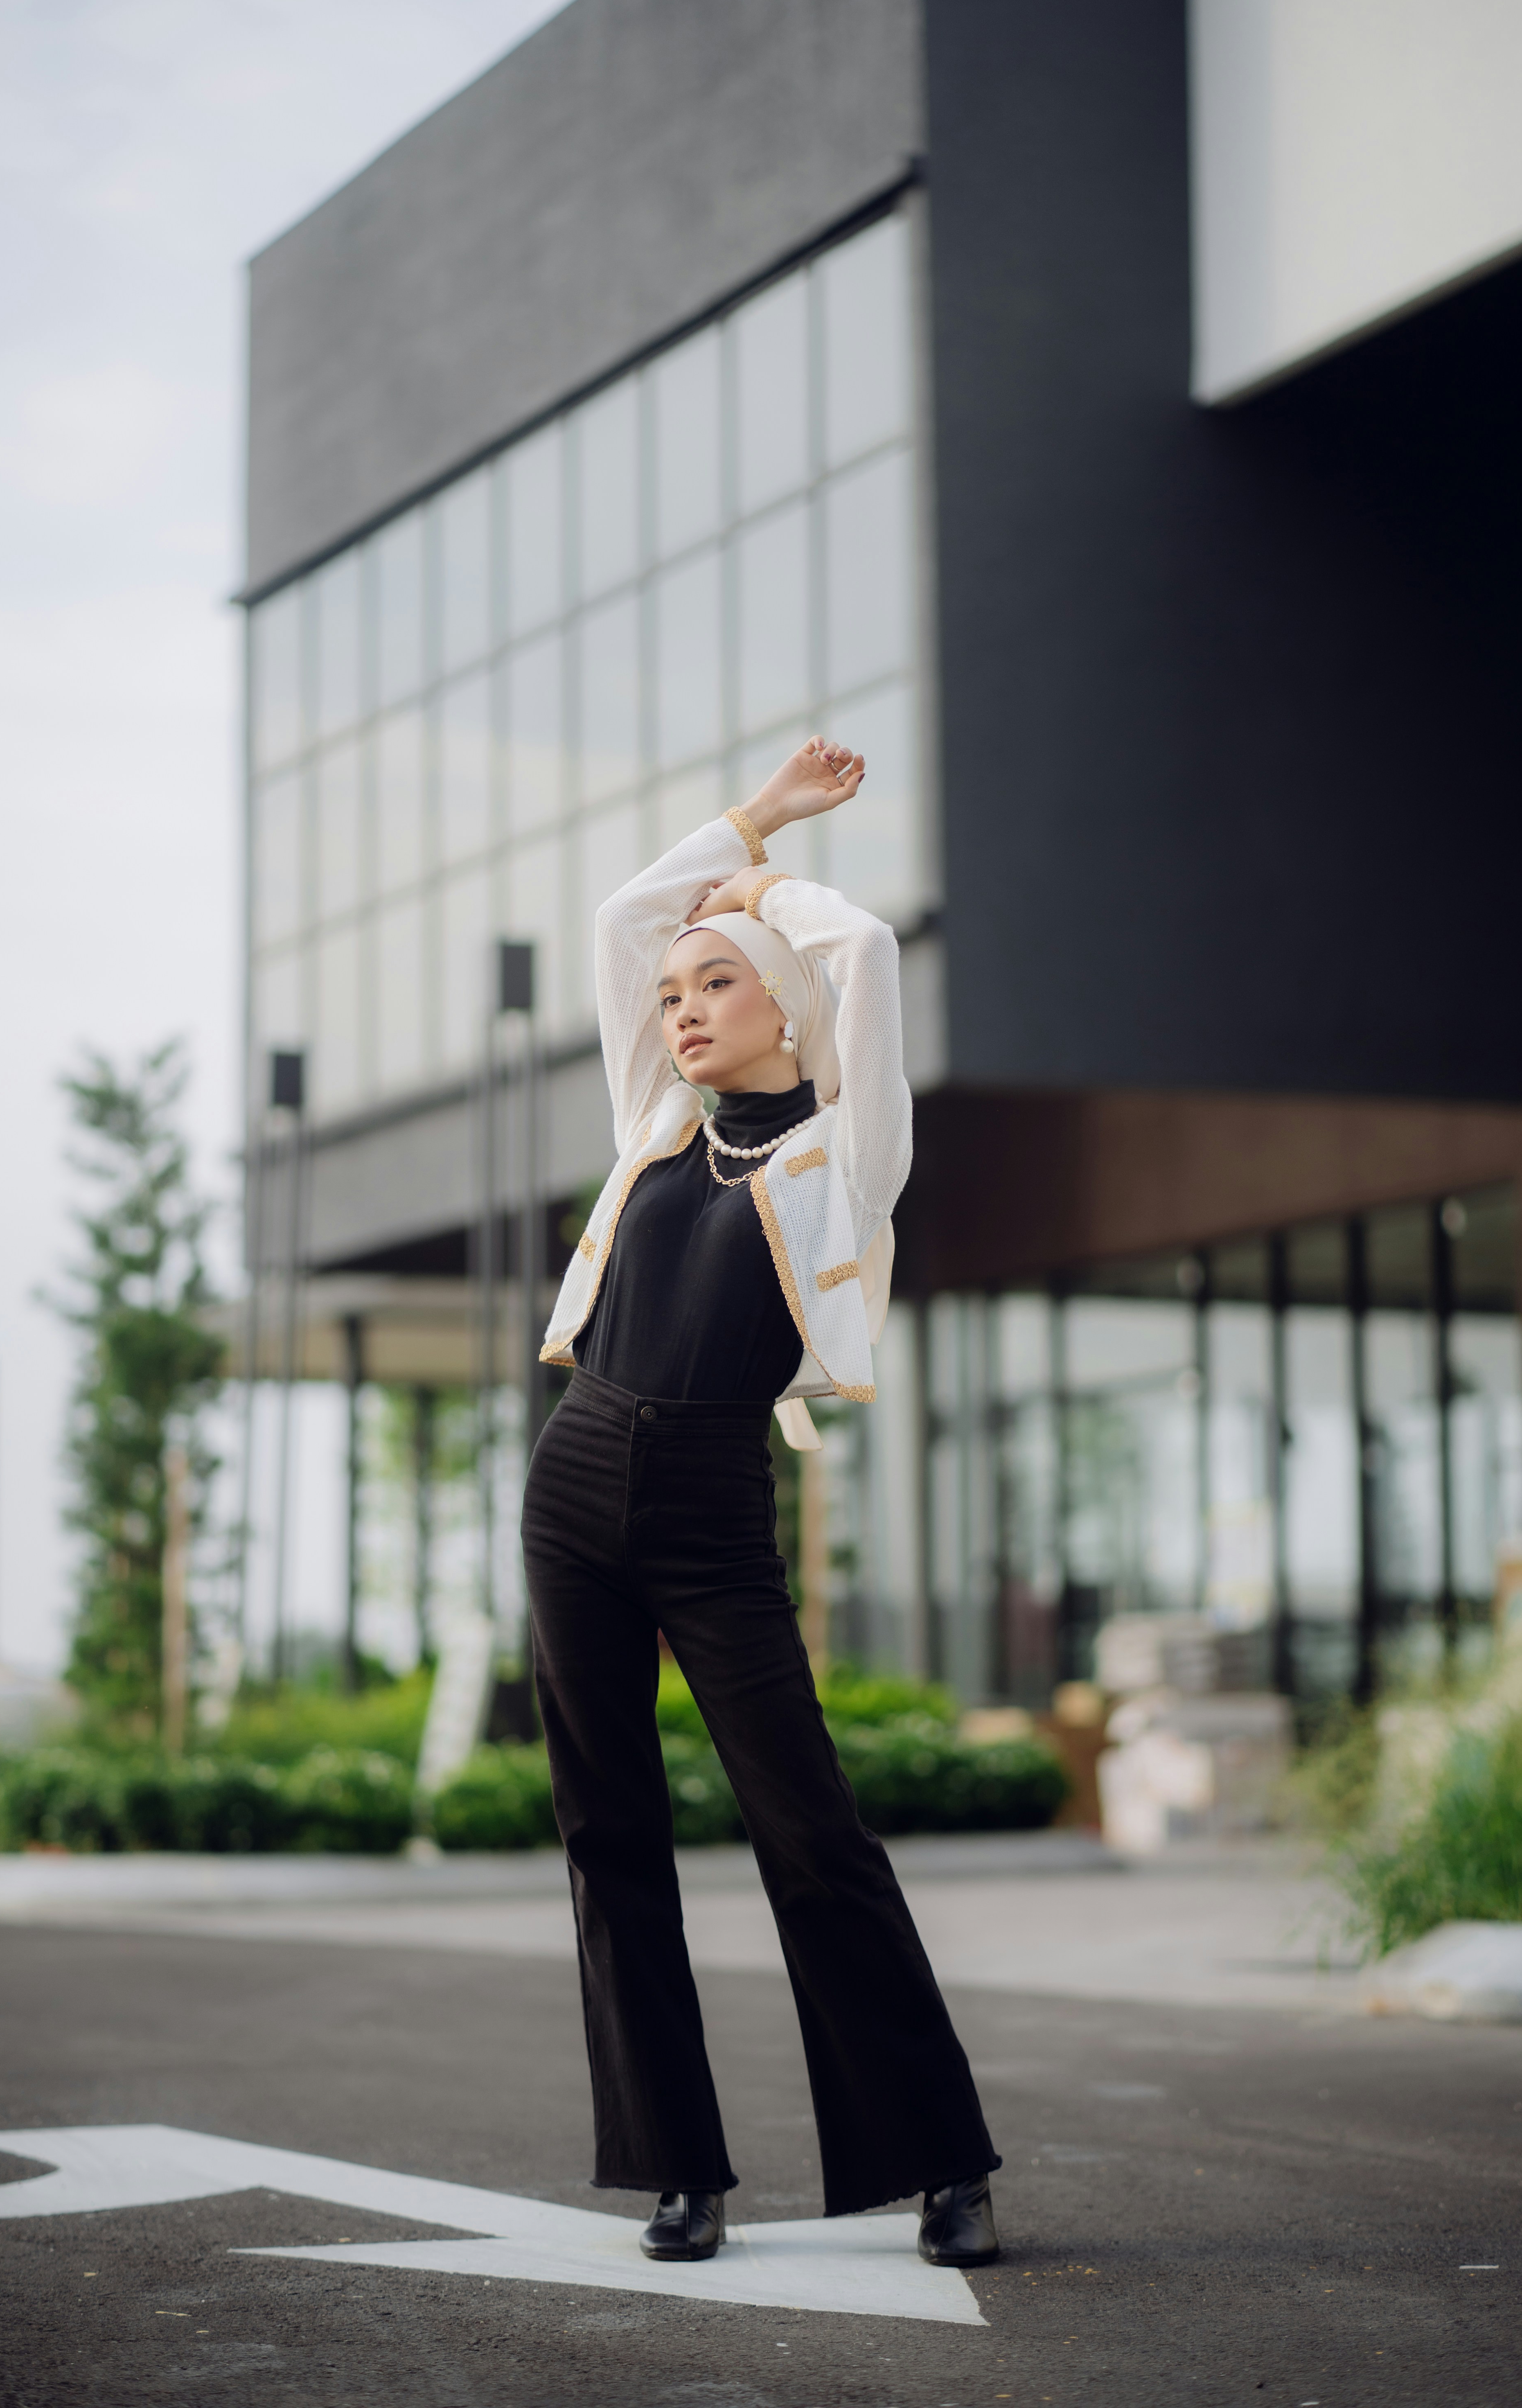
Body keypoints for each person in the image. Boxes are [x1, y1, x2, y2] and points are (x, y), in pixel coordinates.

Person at [521, 735, 1001, 2270]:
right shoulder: (655, 1122)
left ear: (781, 1004)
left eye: (711, 985)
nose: (677, 1007)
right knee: (610, 1828)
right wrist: (751, 817)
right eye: (673, 998)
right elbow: (621, 925)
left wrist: (777, 882)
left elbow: (861, 954)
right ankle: (681, 2170)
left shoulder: (843, 1162)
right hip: (578, 1470)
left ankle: (943, 2162)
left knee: (812, 1833)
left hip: (718, 1503)